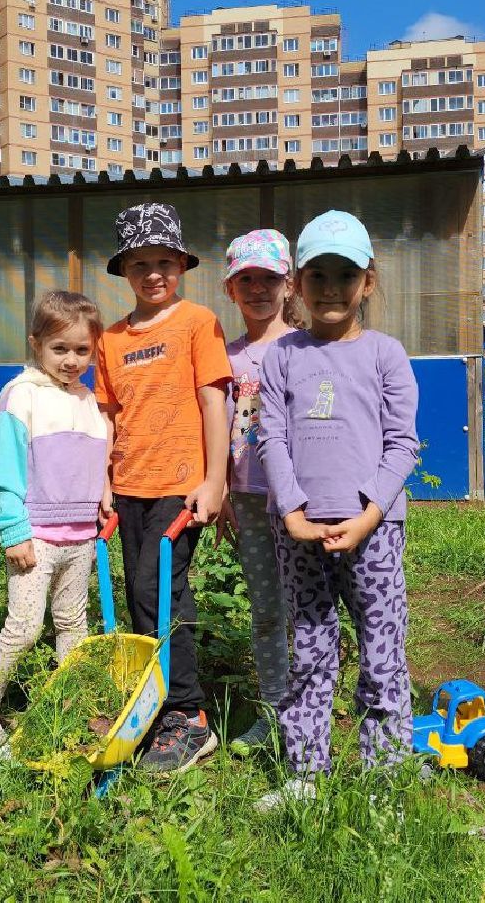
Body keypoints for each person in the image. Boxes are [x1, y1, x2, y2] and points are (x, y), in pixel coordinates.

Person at [254, 211, 418, 812]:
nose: (329, 288)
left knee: (382, 646)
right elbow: (270, 437)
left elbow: (403, 442)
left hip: (373, 530)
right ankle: (305, 771)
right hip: (298, 529)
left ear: (367, 282)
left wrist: (372, 512)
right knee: (311, 646)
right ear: (296, 282)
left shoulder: (385, 355)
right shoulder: (281, 358)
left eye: (343, 275)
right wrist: (293, 511)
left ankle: (385, 776)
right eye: (316, 274)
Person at [94, 202, 232, 773]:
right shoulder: (110, 339)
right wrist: (102, 480)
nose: (153, 273)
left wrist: (215, 479)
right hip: (128, 486)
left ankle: (189, 716)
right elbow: (107, 415)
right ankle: (154, 702)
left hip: (181, 484)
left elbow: (213, 401)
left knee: (160, 591)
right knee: (139, 596)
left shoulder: (198, 322)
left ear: (180, 265)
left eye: (164, 262)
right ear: (125, 271)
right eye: (140, 263)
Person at [0, 291, 107, 755]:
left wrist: (102, 495)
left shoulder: (88, 401)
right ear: (35, 344)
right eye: (59, 349)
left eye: (82, 350)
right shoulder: (22, 395)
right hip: (36, 537)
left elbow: (94, 462)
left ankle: (68, 709)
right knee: (24, 628)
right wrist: (13, 529)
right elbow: (2, 469)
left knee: (73, 627)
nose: (71, 360)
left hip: (80, 536)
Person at [215, 230, 298, 757]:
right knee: (267, 608)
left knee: (309, 606)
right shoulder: (225, 358)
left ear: (288, 285)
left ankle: (309, 706)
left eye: (269, 278)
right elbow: (217, 426)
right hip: (246, 498)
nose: (258, 289)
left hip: (299, 503)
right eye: (246, 279)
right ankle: (274, 709)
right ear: (231, 289)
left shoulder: (306, 348)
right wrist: (221, 487)